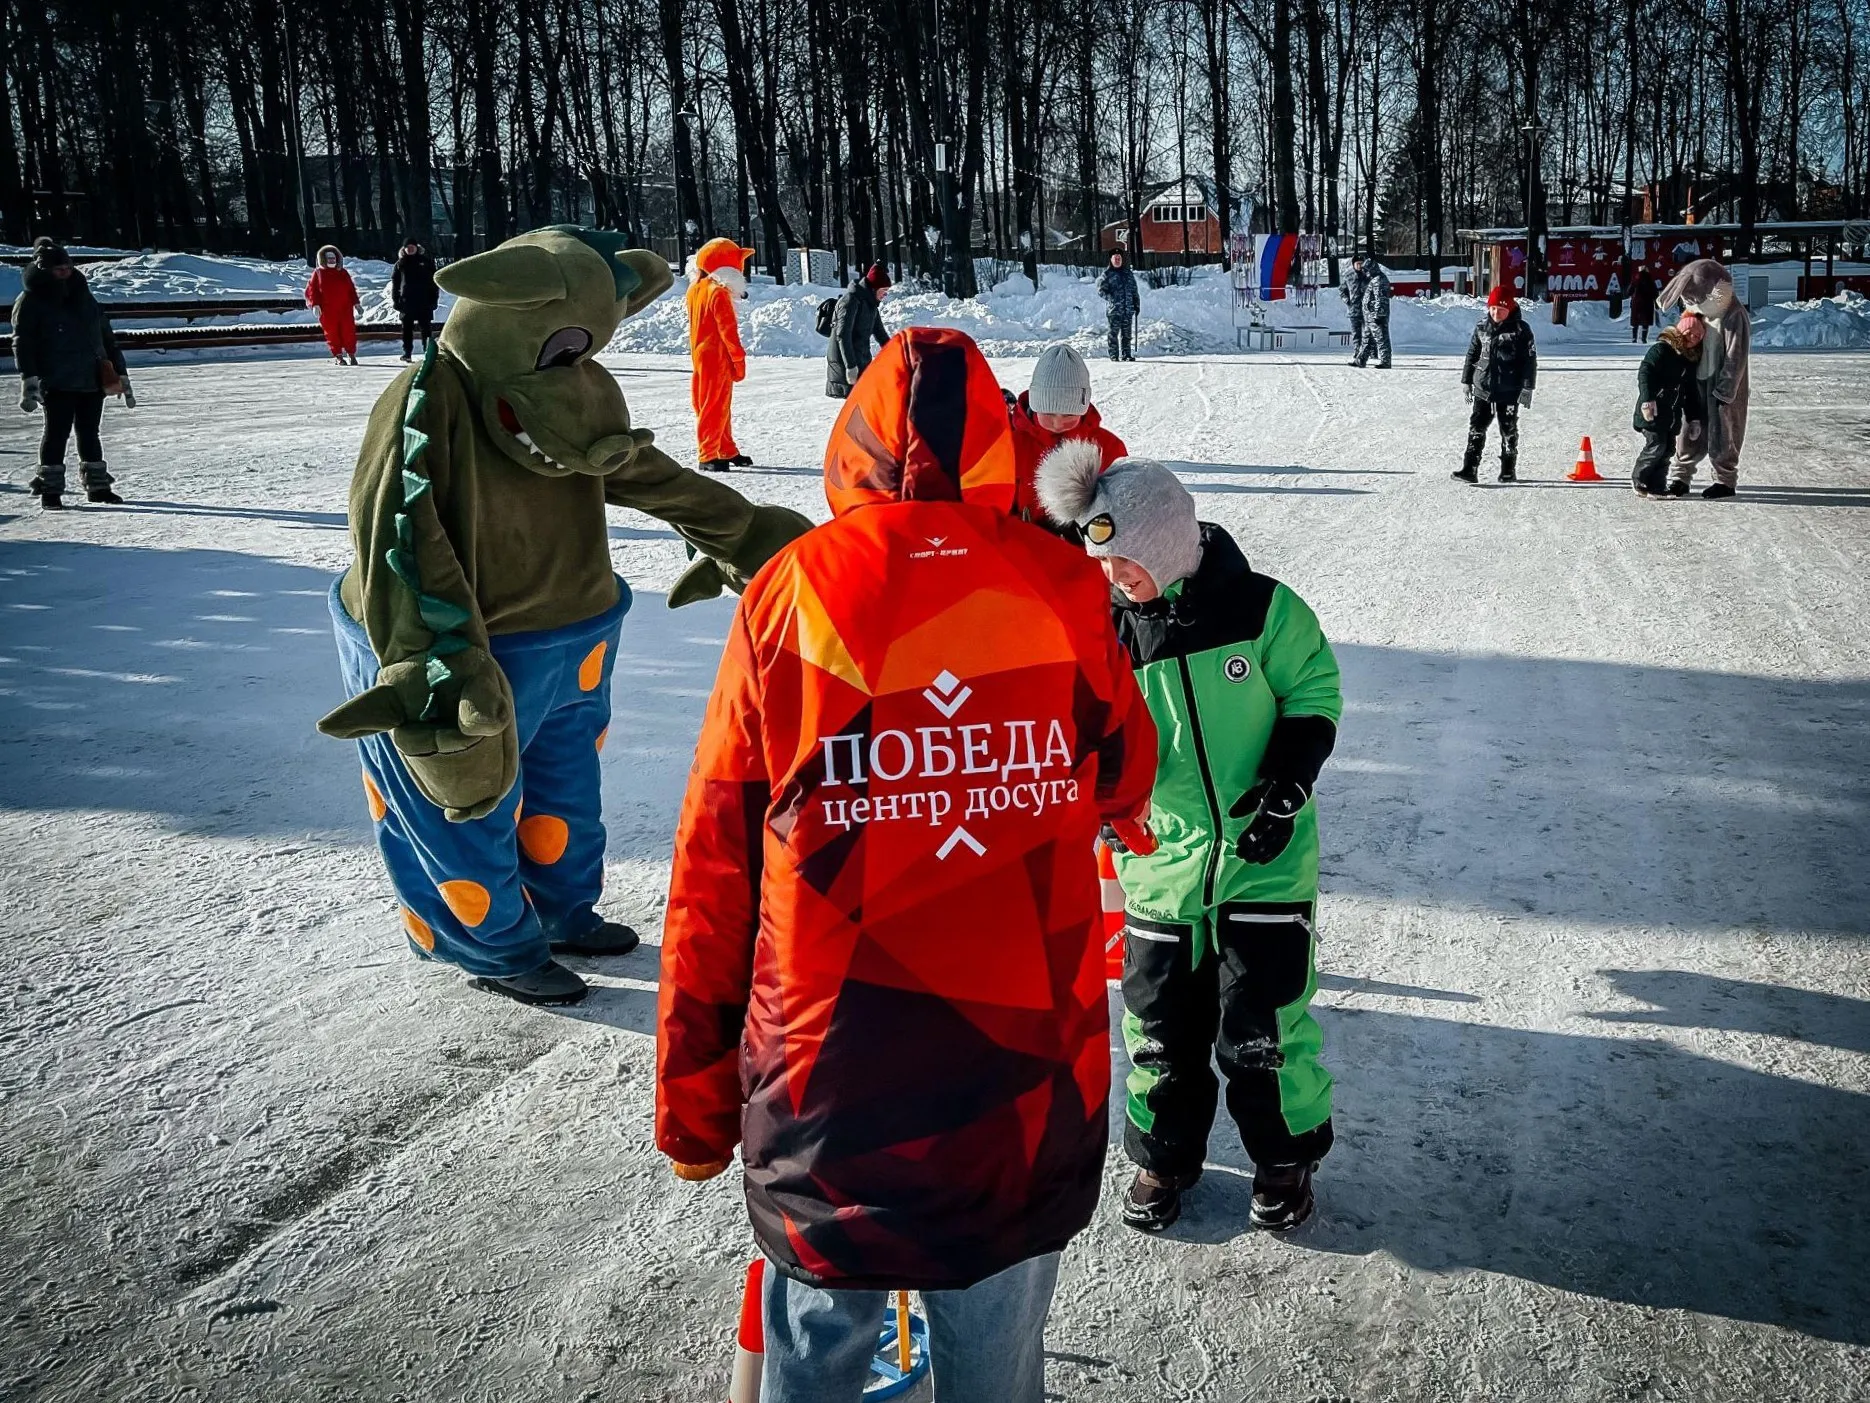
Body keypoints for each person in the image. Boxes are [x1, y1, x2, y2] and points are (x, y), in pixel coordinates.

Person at [655, 326, 1158, 1403]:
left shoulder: (792, 591)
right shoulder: (1063, 589)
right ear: (998, 445)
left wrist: (693, 1098)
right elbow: (1126, 769)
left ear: (856, 444)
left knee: (815, 1370)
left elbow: (715, 860)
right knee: (994, 1372)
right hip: (1018, 1093)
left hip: (827, 1095)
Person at [317, 227, 810, 1007]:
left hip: (570, 625)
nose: (579, 377)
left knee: (565, 786)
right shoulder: (428, 401)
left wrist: (741, 533)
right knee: (465, 788)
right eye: (566, 346)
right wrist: (438, 656)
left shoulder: (573, 385)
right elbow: (397, 536)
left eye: (586, 348)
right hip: (461, 639)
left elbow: (644, 472)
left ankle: (562, 908)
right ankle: (491, 942)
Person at [1036, 442, 1342, 1235]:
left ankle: (1283, 1156)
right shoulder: (1109, 632)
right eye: (1101, 562)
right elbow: (1086, 723)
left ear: (1168, 545)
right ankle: (1164, 1153)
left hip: (1263, 860)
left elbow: (1314, 692)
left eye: (1125, 561)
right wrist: (1105, 799)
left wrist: (1287, 784)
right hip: (1159, 862)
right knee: (1159, 1024)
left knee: (1262, 1024)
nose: (1112, 577)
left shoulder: (1264, 611)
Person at [12, 236, 132, 510]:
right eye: (58, 267)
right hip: (56, 378)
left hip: (92, 376)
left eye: (67, 265)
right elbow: (23, 341)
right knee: (56, 434)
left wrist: (119, 371)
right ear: (45, 269)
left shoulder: (83, 294)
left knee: (90, 432)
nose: (65, 270)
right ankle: (50, 490)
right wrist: (29, 379)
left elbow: (105, 334)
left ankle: (98, 487)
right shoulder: (31, 300)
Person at [1006, 344, 1127, 528]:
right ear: (1035, 405)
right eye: (1048, 413)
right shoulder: (1009, 447)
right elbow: (993, 511)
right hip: (1023, 550)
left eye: (1069, 415)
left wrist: (1088, 531)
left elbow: (1125, 510)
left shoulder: (1108, 448)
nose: (1058, 423)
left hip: (1087, 554)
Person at [1661, 258, 1751, 499]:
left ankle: (1725, 479)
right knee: (1689, 429)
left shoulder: (1733, 315)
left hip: (1722, 387)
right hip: (1697, 381)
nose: (1692, 304)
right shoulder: (1697, 313)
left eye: (1695, 299)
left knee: (1724, 432)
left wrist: (1726, 389)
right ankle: (1681, 476)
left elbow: (1736, 355)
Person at [1453, 285, 1538, 484]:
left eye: (1501, 309)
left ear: (1510, 308)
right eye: (1492, 308)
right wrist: (1466, 380)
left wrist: (1527, 387)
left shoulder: (1521, 330)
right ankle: (1469, 469)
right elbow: (1472, 354)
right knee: (1476, 428)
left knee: (1508, 430)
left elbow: (1530, 360)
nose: (1495, 313)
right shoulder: (1482, 326)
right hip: (1483, 388)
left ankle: (1508, 470)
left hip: (1509, 391)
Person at [685, 236, 754, 470]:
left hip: (701, 356)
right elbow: (729, 333)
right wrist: (738, 361)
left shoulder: (695, 289)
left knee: (711, 404)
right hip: (717, 358)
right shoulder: (718, 293)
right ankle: (708, 453)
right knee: (714, 406)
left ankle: (725, 449)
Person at [1631, 310, 1707, 498]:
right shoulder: (1662, 350)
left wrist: (1694, 419)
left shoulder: (1689, 361)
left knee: (1667, 451)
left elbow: (1690, 393)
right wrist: (1648, 400)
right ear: (1681, 331)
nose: (1693, 338)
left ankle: (1657, 486)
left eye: (1697, 336)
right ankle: (1639, 479)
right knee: (1656, 445)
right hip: (1653, 411)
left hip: (1671, 416)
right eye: (1690, 333)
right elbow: (1645, 372)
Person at [825, 261, 890, 399]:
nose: (885, 295)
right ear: (874, 288)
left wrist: (895, 352)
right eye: (883, 291)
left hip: (861, 360)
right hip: (845, 362)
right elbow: (842, 335)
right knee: (855, 406)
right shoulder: (850, 301)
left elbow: (881, 334)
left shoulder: (871, 304)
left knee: (864, 403)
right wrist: (851, 366)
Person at [391, 239, 440, 363]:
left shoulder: (426, 262)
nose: (410, 249)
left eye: (412, 246)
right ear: (404, 249)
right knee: (407, 330)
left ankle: (428, 352)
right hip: (406, 302)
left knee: (426, 330)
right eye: (408, 247)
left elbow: (434, 283)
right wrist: (396, 300)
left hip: (424, 302)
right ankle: (407, 353)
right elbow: (395, 284)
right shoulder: (400, 264)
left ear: (417, 248)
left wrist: (434, 300)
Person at [1095, 249, 1141, 361]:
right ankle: (1114, 355)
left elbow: (1134, 290)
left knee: (1127, 335)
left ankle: (1126, 355)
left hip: (1127, 309)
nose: (1117, 260)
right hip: (1114, 310)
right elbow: (1101, 291)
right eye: (1115, 258)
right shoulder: (1107, 275)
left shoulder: (1128, 274)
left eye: (1119, 258)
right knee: (1113, 334)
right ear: (1111, 260)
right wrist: (1111, 298)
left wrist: (1136, 304)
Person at [1351, 256, 1392, 368]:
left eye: (1366, 270)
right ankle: (1361, 360)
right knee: (1367, 339)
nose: (1365, 272)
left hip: (1376, 316)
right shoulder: (1374, 279)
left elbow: (1380, 299)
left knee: (1381, 339)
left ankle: (1386, 361)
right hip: (1370, 316)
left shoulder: (1379, 280)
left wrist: (1379, 314)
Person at [1340, 255, 1369, 363]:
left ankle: (1369, 351)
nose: (1360, 266)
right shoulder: (1348, 276)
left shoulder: (1368, 275)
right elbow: (1342, 291)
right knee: (1356, 334)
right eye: (1358, 264)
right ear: (1353, 265)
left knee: (1368, 332)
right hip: (1354, 310)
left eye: (1362, 263)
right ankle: (1357, 351)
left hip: (1367, 310)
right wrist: (1347, 301)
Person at [1629, 265, 1658, 344]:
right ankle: (1643, 338)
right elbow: (1655, 293)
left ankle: (1634, 338)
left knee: (1635, 321)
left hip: (1636, 302)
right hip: (1647, 303)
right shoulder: (1650, 280)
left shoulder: (1635, 279)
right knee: (1645, 322)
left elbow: (1629, 291)